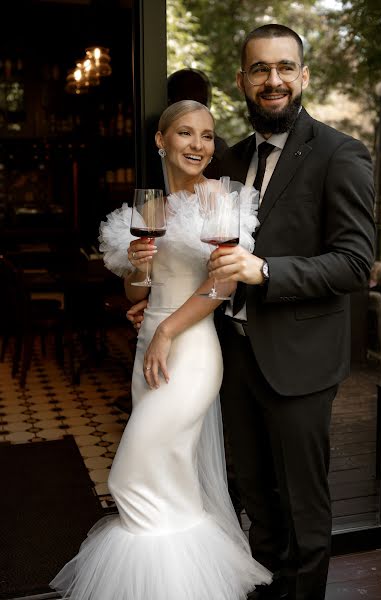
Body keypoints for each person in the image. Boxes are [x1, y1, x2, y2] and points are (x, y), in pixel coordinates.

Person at [129, 24, 375, 600]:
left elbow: (354, 264)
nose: (273, 80)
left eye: (285, 68)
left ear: (303, 76)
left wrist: (266, 271)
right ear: (242, 80)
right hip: (230, 357)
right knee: (255, 500)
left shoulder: (341, 153)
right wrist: (155, 298)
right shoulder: (229, 158)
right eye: (260, 69)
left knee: (302, 508)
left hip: (300, 363)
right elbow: (192, 248)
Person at [49, 99, 272, 599]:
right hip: (148, 344)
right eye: (186, 134)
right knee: (168, 475)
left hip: (189, 351)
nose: (198, 145)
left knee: (131, 475)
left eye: (208, 136)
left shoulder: (219, 198)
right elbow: (136, 292)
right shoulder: (152, 208)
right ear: (161, 140)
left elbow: (223, 287)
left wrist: (169, 330)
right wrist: (138, 264)